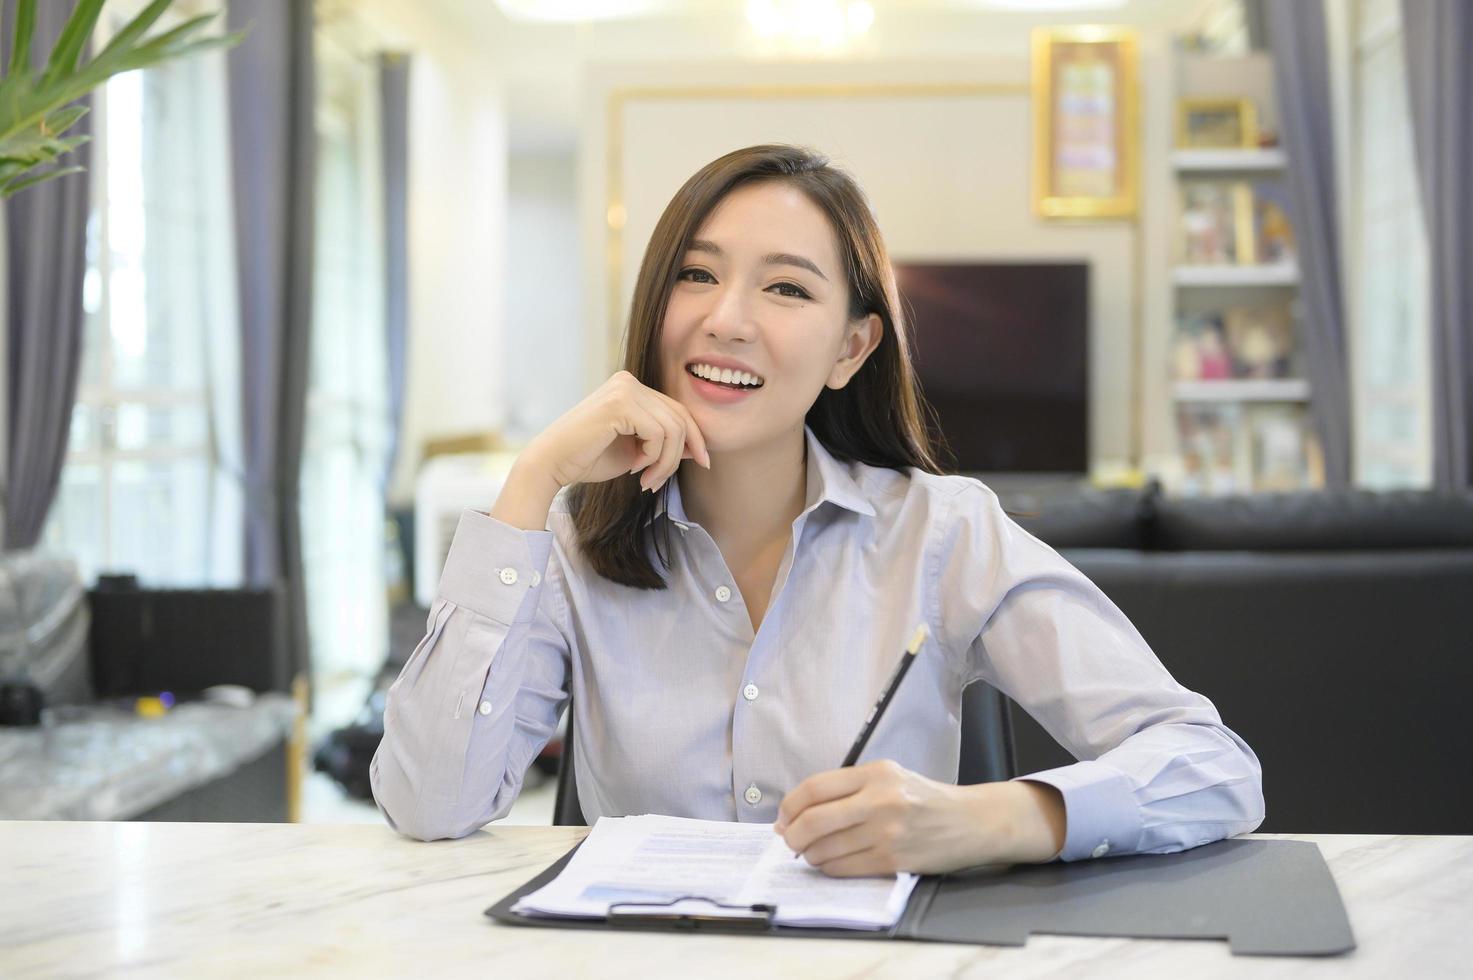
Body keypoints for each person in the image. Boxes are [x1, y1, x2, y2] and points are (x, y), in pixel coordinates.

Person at [371, 144, 1264, 877]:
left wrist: (986, 820)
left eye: (786, 288)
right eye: (695, 275)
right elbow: (427, 803)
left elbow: (1211, 767)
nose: (725, 319)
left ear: (851, 348)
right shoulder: (570, 543)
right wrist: (531, 483)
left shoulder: (944, 533)